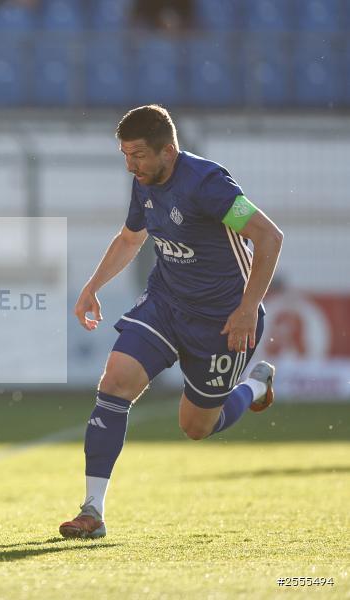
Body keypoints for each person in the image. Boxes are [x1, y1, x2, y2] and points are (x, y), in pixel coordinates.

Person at [59, 105, 283, 539]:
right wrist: (92, 286)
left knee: (196, 427)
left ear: (169, 150)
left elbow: (268, 236)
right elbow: (131, 237)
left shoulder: (207, 186)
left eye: (139, 155)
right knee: (115, 380)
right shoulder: (143, 182)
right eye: (125, 155)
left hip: (222, 321)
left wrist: (245, 308)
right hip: (166, 304)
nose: (131, 165)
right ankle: (92, 510)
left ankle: (254, 385)